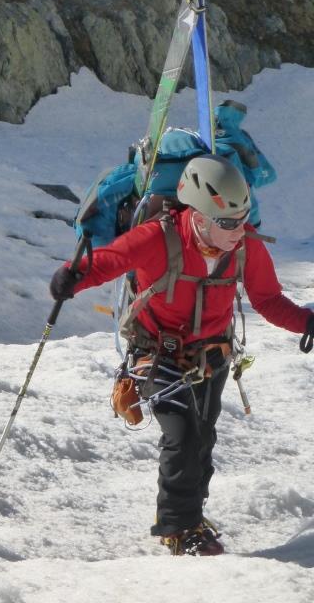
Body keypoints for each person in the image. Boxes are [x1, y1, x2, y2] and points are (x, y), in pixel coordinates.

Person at [51, 154, 314, 556]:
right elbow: (111, 260)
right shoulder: (160, 237)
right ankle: (180, 528)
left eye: (243, 220)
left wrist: (307, 322)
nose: (238, 230)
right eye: (228, 223)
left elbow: (268, 298)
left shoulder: (246, 247)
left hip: (212, 356)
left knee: (202, 439)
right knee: (183, 434)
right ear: (200, 214)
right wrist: (73, 274)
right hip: (157, 354)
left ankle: (193, 515)